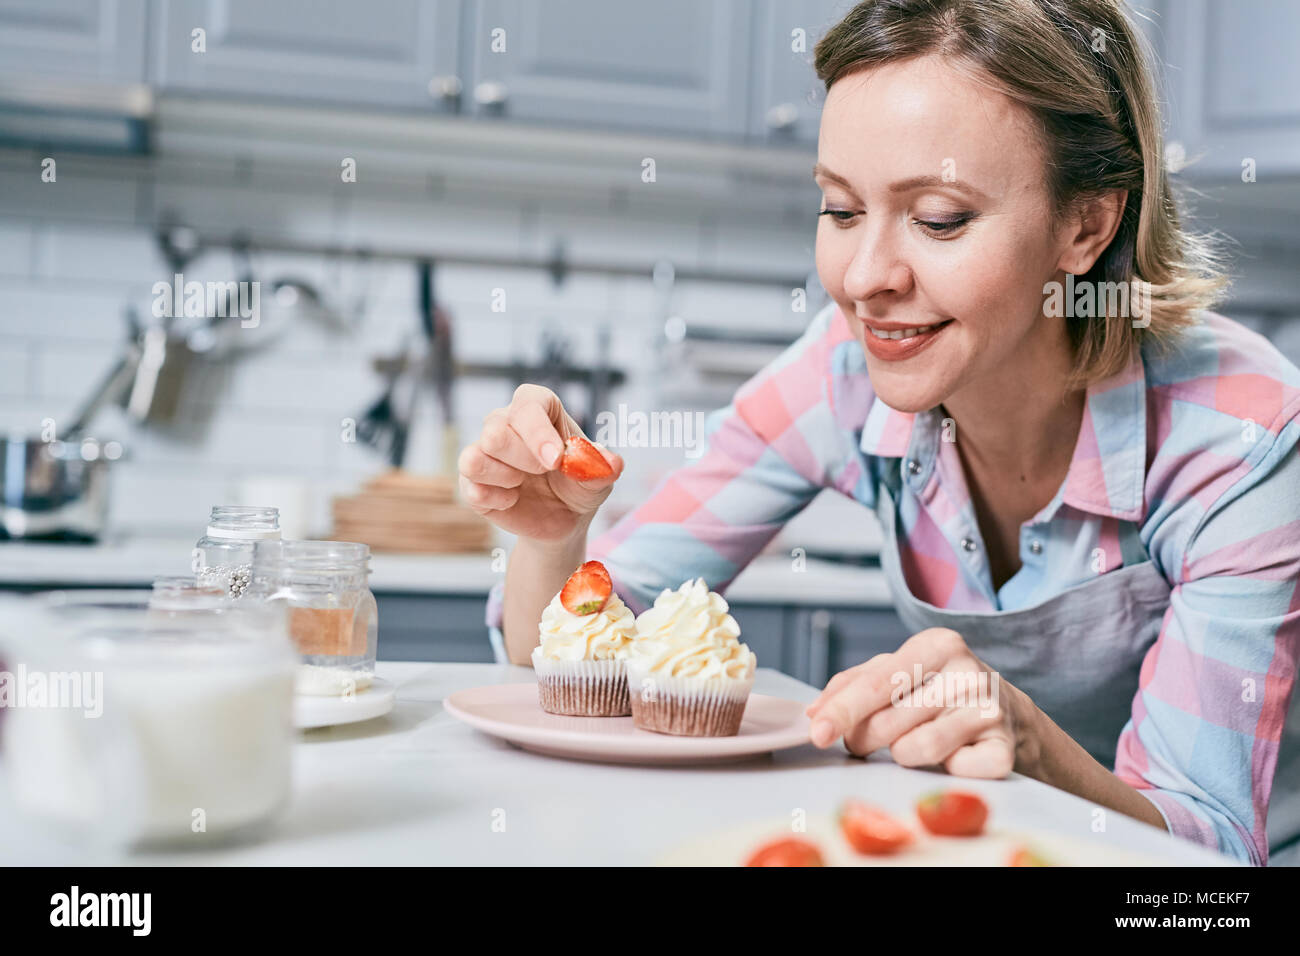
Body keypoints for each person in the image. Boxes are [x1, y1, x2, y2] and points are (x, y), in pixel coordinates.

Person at [460, 0, 1299, 866]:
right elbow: (552, 658)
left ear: (1086, 225)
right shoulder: (842, 373)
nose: (863, 280)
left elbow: (1212, 857)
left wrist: (1035, 747)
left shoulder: (1242, 439)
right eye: (840, 209)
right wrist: (556, 539)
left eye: (938, 218)